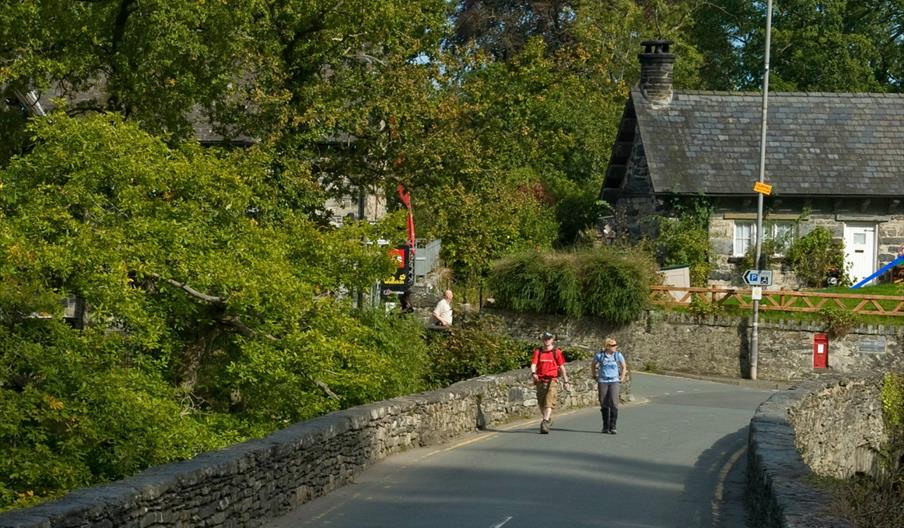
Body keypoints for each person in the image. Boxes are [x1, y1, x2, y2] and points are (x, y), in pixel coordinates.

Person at [530, 331, 570, 434]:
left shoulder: (556, 352)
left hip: (552, 379)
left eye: (549, 338)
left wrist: (566, 381)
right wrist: (533, 373)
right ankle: (547, 419)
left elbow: (561, 367)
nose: (547, 340)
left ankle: (545, 421)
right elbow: (534, 364)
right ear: (542, 340)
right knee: (541, 402)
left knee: (549, 400)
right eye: (545, 338)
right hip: (540, 379)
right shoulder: (538, 352)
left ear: (553, 340)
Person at [592, 337, 627, 434]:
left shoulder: (618, 355)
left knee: (614, 403)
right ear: (607, 346)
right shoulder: (600, 355)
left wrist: (622, 377)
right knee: (603, 403)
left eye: (615, 345)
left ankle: (613, 426)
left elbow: (624, 366)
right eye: (613, 345)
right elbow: (593, 364)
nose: (615, 347)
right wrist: (594, 375)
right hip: (603, 381)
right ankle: (605, 426)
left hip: (614, 381)